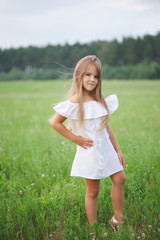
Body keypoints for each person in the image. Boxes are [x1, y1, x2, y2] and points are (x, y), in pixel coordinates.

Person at [50, 55, 126, 239]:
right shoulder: (76, 100)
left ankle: (118, 220)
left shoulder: (98, 99)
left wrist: (117, 149)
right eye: (88, 75)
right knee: (93, 191)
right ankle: (94, 231)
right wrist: (75, 139)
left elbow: (106, 126)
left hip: (106, 148)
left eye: (96, 76)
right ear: (79, 76)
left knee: (120, 178)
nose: (92, 79)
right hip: (89, 151)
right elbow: (55, 123)